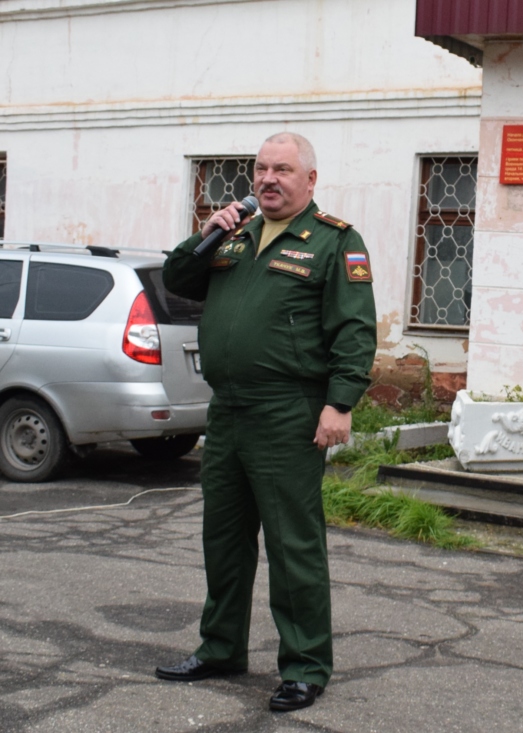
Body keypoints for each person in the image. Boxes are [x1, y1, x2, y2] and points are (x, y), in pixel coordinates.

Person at [155, 132, 377, 712]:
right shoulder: (237, 234)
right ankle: (220, 647)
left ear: (310, 179)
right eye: (260, 170)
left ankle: (305, 665)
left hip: (290, 411)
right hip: (227, 409)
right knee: (224, 539)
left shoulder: (335, 242)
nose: (268, 179)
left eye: (282, 169)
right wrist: (207, 232)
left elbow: (354, 330)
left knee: (291, 542)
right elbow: (176, 280)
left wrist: (341, 403)